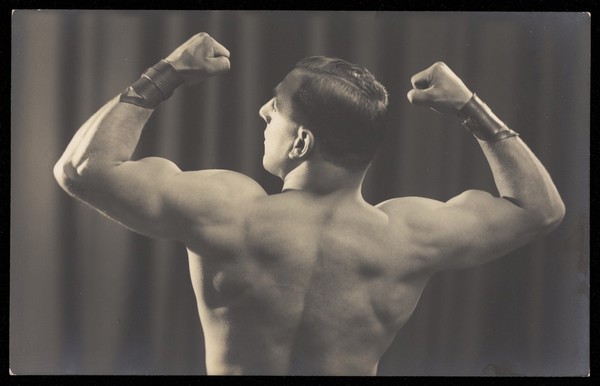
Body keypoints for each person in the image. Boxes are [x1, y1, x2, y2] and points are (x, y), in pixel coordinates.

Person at [53, 33, 565, 375]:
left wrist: (166, 71)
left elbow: (83, 168)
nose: (262, 112)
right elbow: (539, 210)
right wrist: (469, 106)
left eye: (274, 107)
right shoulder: (410, 234)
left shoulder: (231, 212)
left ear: (300, 143)